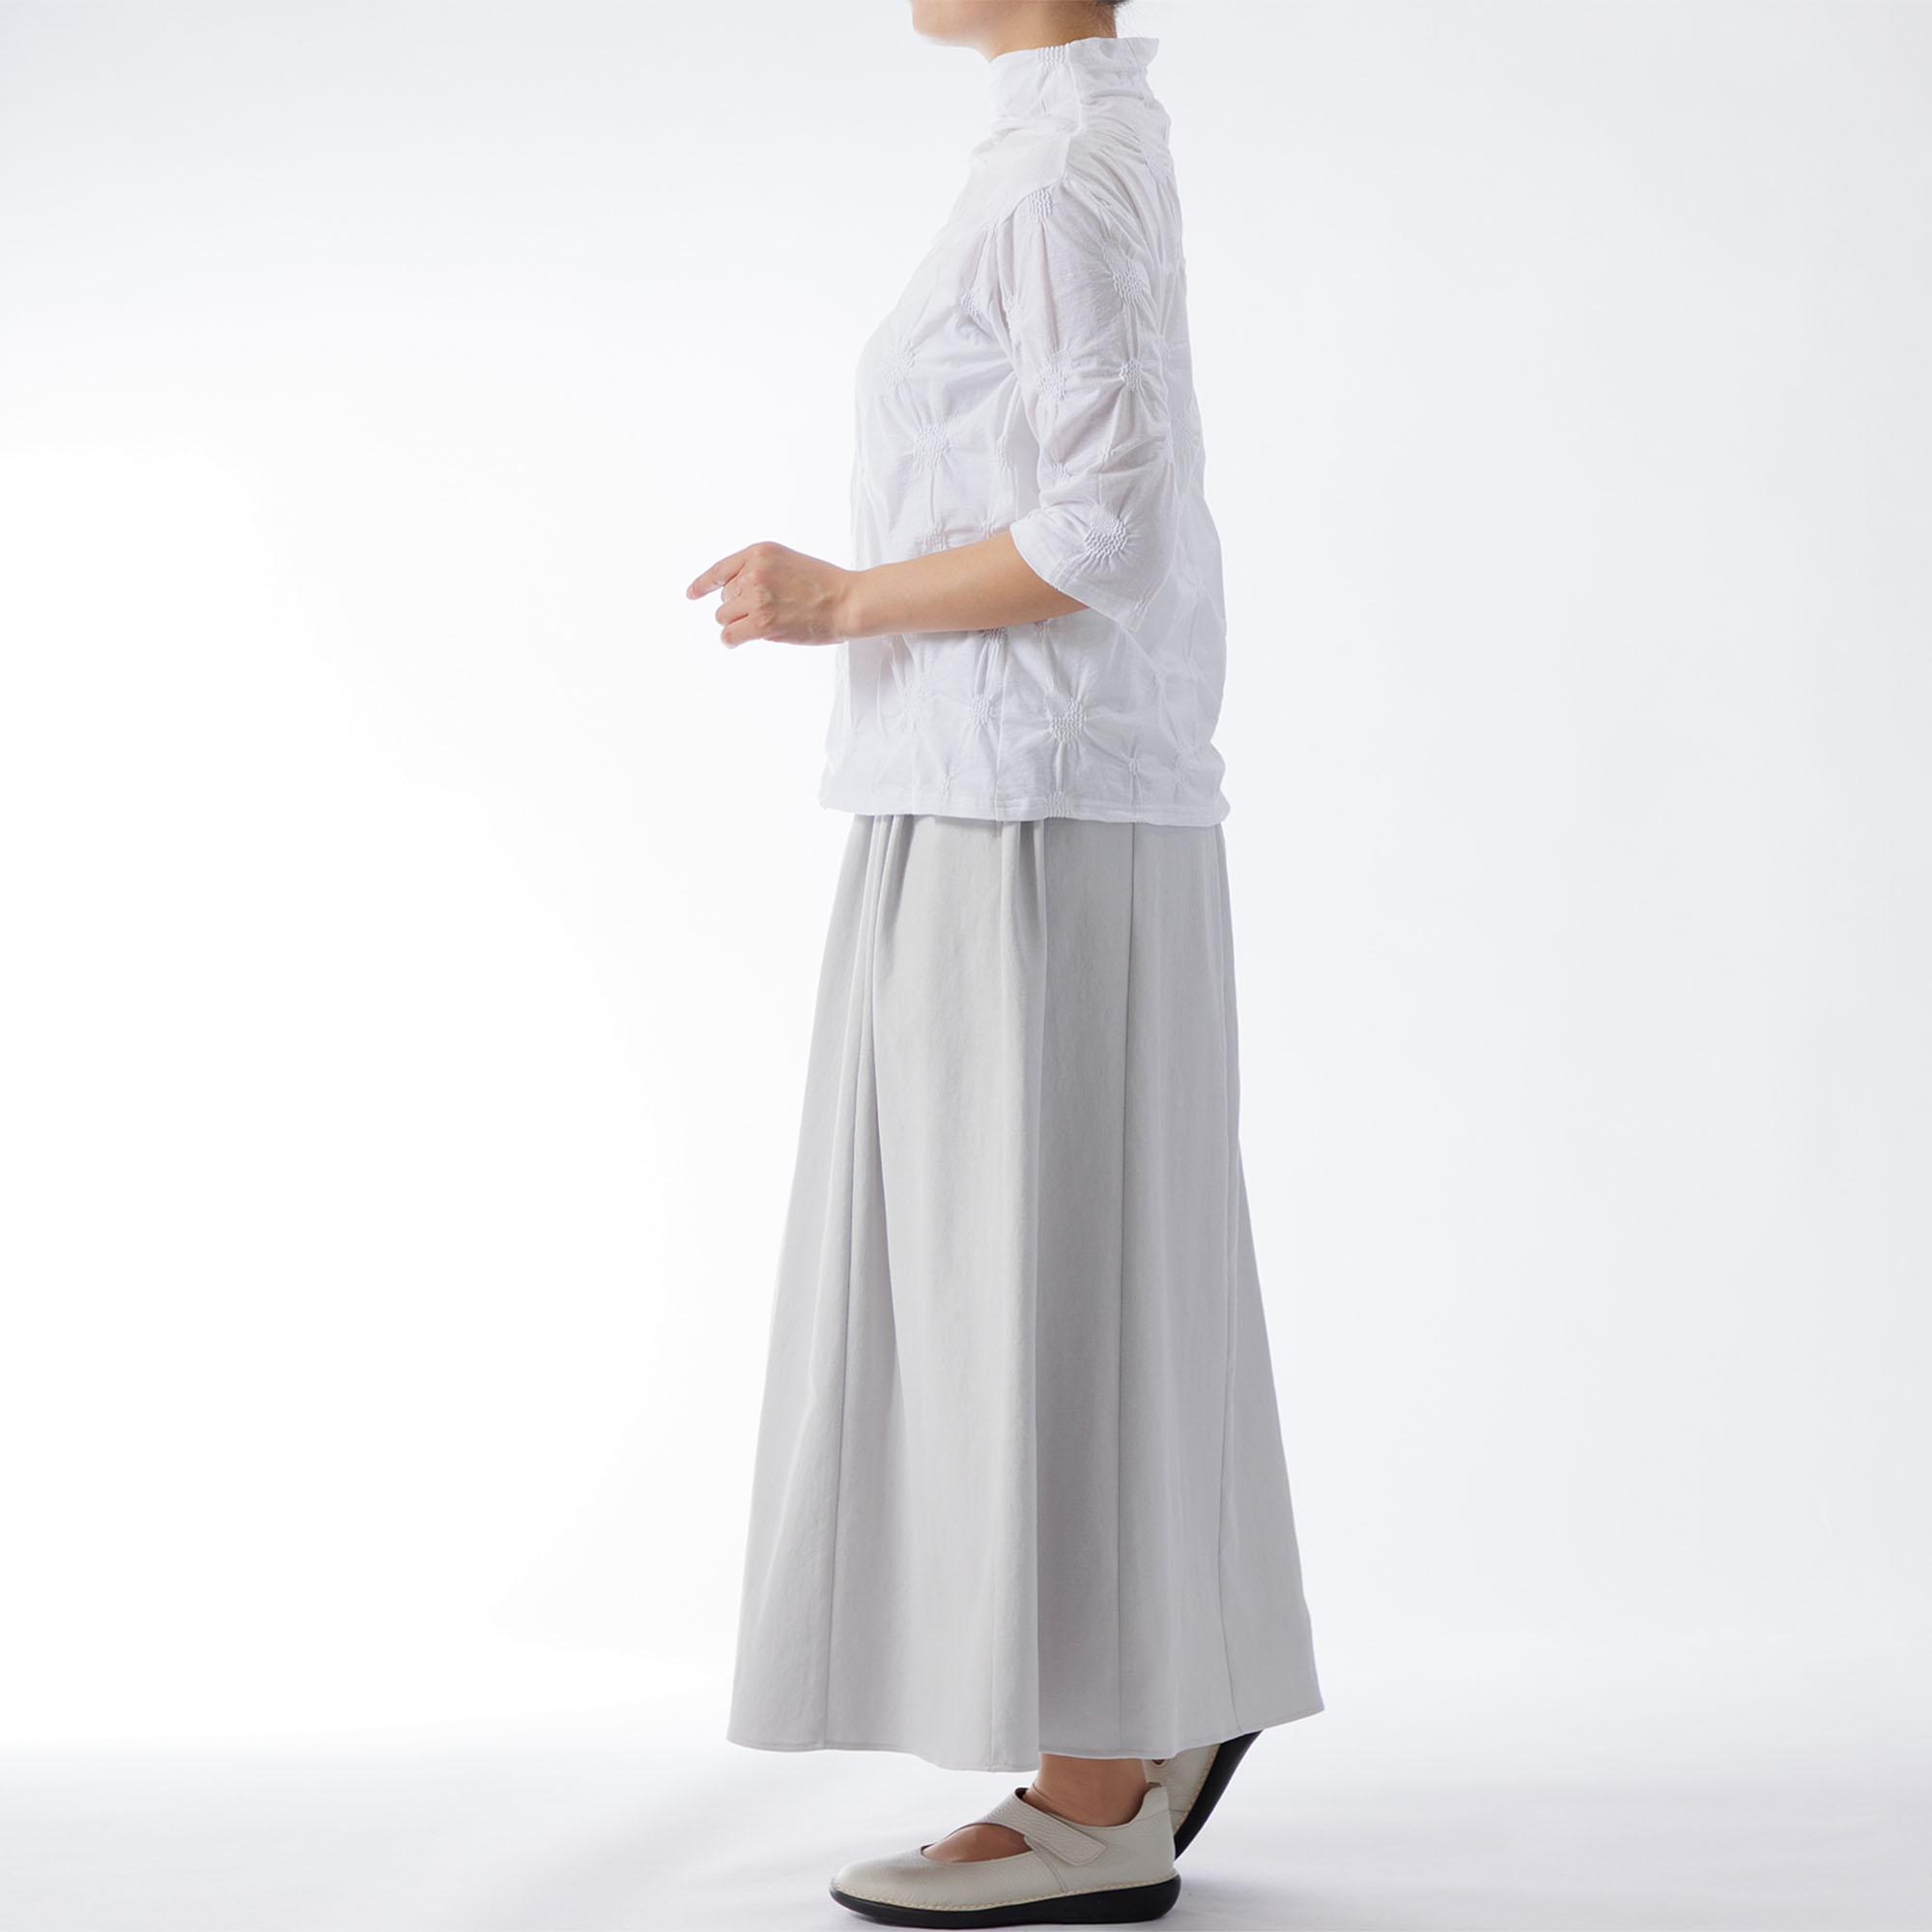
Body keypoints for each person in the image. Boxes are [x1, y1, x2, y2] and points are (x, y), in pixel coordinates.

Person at [685, 3, 1323, 1921]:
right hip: (1001, 790)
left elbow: (1103, 526)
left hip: (1030, 806)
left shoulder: (1062, 170)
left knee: (1040, 1287)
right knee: (1032, 1282)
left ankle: (1101, 1786)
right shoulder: (1059, 149)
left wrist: (839, 601)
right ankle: (1122, 1733)